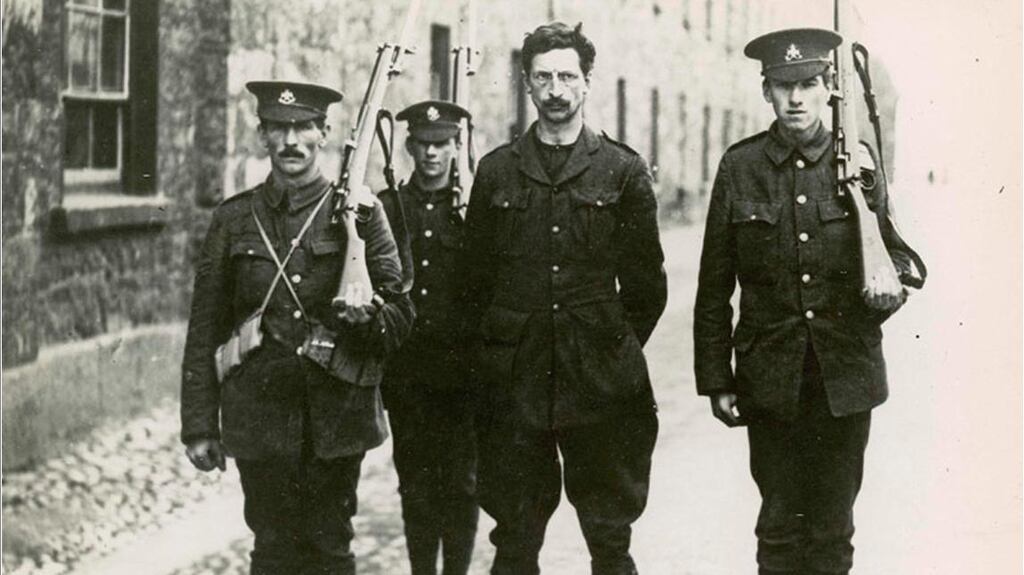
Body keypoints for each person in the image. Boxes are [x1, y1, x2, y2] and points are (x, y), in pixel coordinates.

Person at [693, 29, 925, 575]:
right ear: (766, 91)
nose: (795, 98)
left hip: (844, 378)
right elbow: (714, 286)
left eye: (807, 84)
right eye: (783, 86)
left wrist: (888, 288)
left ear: (828, 88)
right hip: (770, 379)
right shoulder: (740, 167)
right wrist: (717, 379)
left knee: (832, 532)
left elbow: (896, 260)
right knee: (778, 530)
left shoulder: (859, 165)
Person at [180, 80, 414, 575]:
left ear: (324, 133)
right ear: (262, 134)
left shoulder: (362, 214)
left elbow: (400, 316)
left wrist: (367, 317)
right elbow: (206, 326)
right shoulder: (234, 219)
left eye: (303, 127)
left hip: (336, 416)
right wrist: (199, 425)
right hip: (259, 414)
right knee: (272, 549)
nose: (291, 141)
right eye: (278, 128)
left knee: (330, 548)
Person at [460, 22, 668, 575]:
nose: (556, 89)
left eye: (567, 77)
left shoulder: (622, 171)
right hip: (515, 383)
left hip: (600, 381)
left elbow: (647, 287)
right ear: (527, 83)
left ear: (587, 82)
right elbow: (472, 283)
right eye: (544, 77)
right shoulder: (496, 171)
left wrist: (609, 344)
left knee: (610, 539)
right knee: (514, 540)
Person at [377, 100, 479, 575]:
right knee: (416, 485)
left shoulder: (473, 211)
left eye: (442, 144)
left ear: (456, 146)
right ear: (410, 147)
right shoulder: (388, 209)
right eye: (424, 144)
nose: (432, 154)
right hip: (408, 373)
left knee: (462, 484)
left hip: (464, 374)